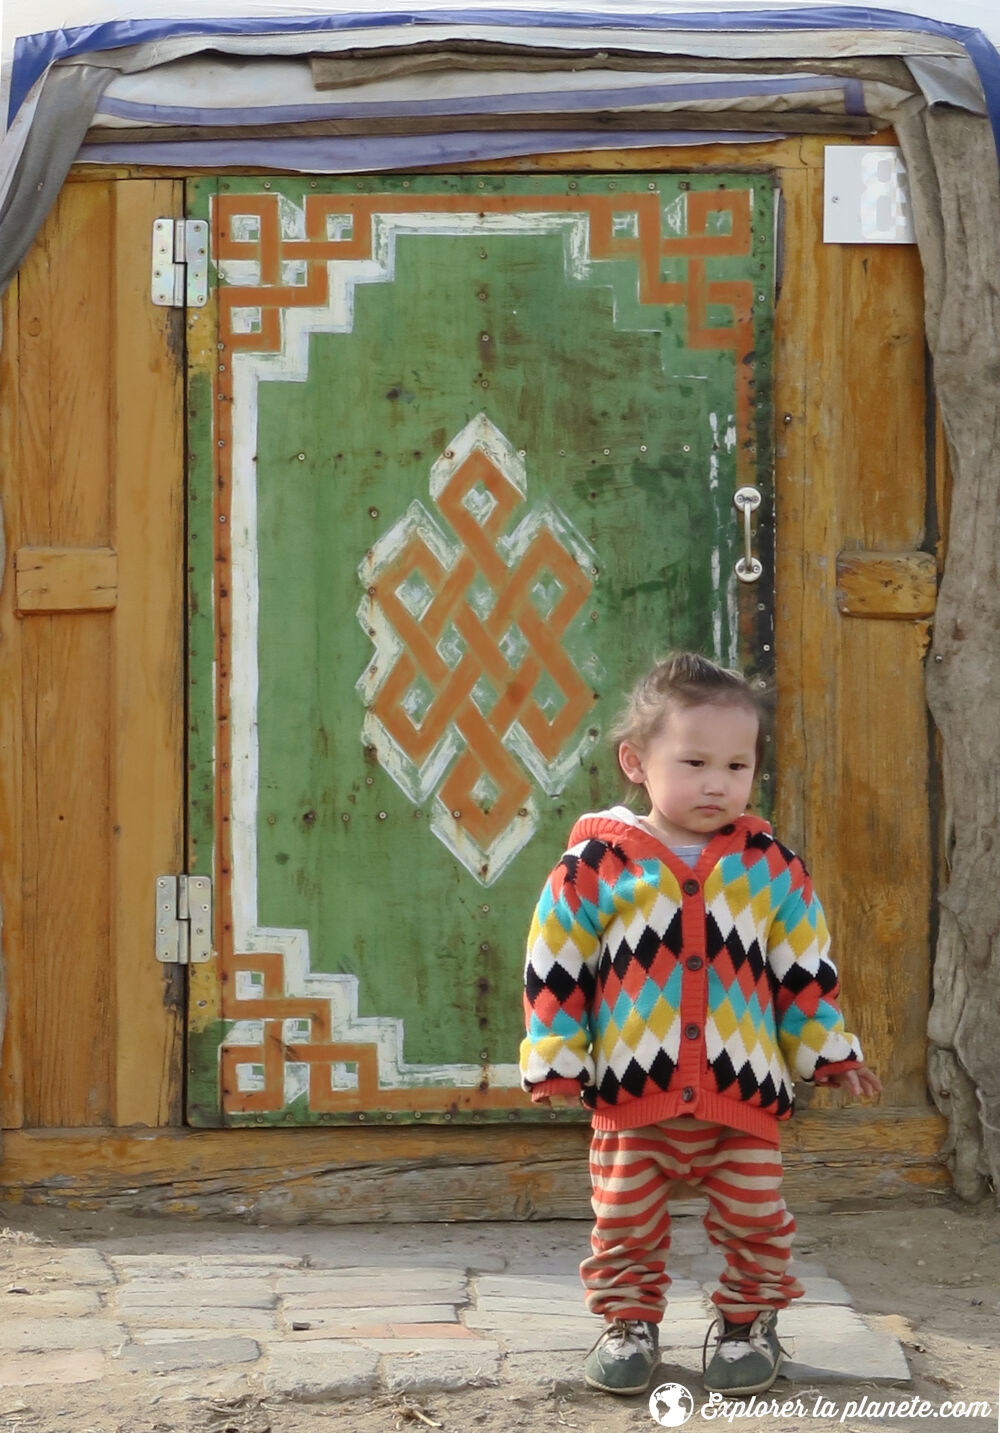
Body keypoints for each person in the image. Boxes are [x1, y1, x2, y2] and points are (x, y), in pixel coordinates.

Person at [519, 652, 881, 1398]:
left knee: (756, 1215)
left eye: (738, 764)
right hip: (630, 1094)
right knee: (623, 1222)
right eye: (694, 761)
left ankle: (748, 1320)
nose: (718, 781)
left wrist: (829, 1052)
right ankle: (628, 1321)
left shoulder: (772, 867)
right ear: (636, 762)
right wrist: (555, 1057)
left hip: (740, 1092)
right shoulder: (593, 866)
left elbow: (804, 969)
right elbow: (555, 964)